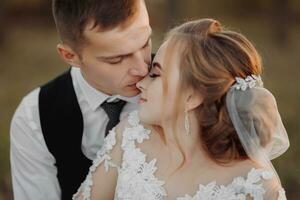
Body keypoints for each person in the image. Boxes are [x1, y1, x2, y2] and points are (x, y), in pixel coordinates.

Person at [73, 18, 290, 200]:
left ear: (192, 96)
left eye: (156, 75)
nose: (141, 83)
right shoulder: (130, 137)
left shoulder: (254, 184)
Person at [10, 0, 152, 199]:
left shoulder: (187, 90)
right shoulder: (34, 117)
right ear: (70, 55)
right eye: (116, 59)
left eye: (145, 43)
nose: (143, 69)